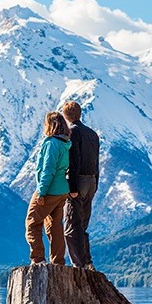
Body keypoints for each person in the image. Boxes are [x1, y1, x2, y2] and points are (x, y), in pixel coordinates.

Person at [25, 112, 72, 265]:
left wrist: (41, 192)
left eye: (45, 123)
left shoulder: (52, 143)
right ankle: (58, 261)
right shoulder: (65, 143)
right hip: (62, 191)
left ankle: (38, 259)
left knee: (32, 222)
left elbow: (48, 169)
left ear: (50, 125)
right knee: (54, 226)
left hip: (49, 190)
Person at [62, 101, 100, 270]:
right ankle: (88, 261)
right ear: (80, 114)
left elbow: (74, 159)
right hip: (91, 181)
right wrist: (95, 183)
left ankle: (79, 265)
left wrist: (72, 186)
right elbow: (96, 161)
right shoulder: (92, 134)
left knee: (71, 226)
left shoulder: (72, 132)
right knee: (82, 224)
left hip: (78, 181)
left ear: (66, 116)